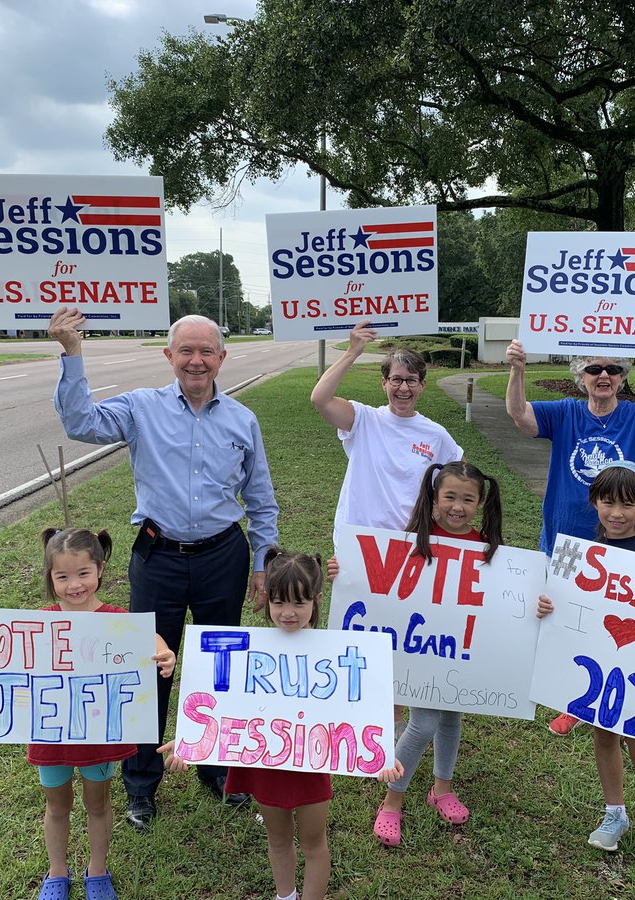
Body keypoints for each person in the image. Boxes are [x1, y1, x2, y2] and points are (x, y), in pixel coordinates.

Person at [49, 308, 280, 829]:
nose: (196, 360)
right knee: (146, 670)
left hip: (225, 555)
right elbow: (81, 421)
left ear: (221, 357)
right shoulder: (141, 409)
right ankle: (142, 782)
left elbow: (261, 500)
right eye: (186, 351)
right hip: (159, 558)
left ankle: (219, 769)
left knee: (221, 667)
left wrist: (263, 561)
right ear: (169, 356)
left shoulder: (242, 420)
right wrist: (72, 352)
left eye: (206, 351)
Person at [0, 528, 177, 900]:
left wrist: (165, 653)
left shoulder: (116, 619)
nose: (74, 585)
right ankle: (57, 871)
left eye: (83, 574)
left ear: (100, 569)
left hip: (98, 734)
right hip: (51, 734)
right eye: (62, 576)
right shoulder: (37, 624)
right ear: (50, 578)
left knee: (98, 804)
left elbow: (149, 638)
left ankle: (97, 870)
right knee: (56, 805)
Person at [159, 547, 403, 900]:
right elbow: (222, 703)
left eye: (299, 603)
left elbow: (359, 709)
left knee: (313, 842)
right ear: (267, 600)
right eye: (279, 603)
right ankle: (285, 895)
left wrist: (381, 755)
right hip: (265, 763)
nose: (288, 613)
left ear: (316, 600)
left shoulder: (336, 651)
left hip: (311, 763)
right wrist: (189, 742)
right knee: (277, 839)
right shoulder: (247, 651)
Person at [505, 340, 635, 734]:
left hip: (621, 543)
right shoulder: (565, 412)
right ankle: (568, 693)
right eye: (594, 369)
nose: (604, 376)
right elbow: (521, 416)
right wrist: (517, 369)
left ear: (624, 376)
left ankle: (593, 698)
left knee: (609, 624)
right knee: (562, 618)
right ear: (581, 376)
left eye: (613, 369)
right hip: (564, 538)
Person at [536, 463, 635, 870]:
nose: (617, 512)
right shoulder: (588, 551)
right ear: (594, 503)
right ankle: (615, 813)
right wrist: (548, 606)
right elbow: (572, 607)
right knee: (604, 739)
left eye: (628, 504)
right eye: (608, 502)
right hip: (604, 671)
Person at [311, 321, 462, 738]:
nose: (403, 389)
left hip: (408, 549)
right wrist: (352, 350)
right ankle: (352, 714)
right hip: (359, 547)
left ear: (422, 385)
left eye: (411, 381)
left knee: (396, 634)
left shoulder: (436, 435)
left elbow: (456, 485)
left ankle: (392, 719)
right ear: (384, 383)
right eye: (396, 380)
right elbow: (320, 398)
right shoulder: (364, 419)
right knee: (355, 630)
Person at [370, 461, 503, 847]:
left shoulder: (488, 549)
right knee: (424, 722)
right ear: (434, 499)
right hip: (421, 651)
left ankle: (441, 788)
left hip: (461, 652)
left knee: (450, 718)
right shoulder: (412, 541)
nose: (457, 506)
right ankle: (393, 800)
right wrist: (345, 572)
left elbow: (504, 600)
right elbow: (379, 582)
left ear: (480, 503)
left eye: (467, 499)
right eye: (450, 497)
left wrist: (536, 604)